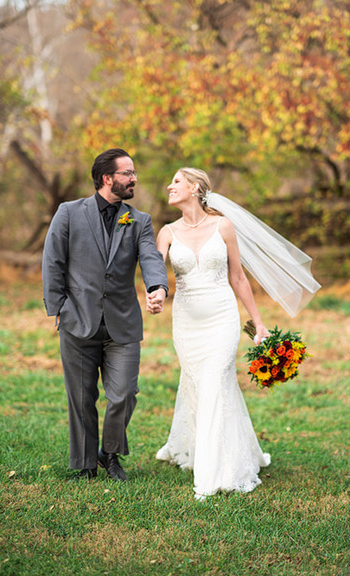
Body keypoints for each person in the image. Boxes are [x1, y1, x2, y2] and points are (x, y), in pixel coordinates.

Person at [42, 149, 169, 482]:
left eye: (134, 172)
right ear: (107, 178)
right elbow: (53, 261)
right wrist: (58, 309)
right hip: (77, 320)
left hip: (122, 324)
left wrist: (158, 287)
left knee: (124, 393)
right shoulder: (69, 213)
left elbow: (151, 257)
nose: (134, 179)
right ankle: (84, 465)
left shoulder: (138, 220)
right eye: (127, 173)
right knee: (81, 397)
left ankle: (109, 454)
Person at [154, 168, 271, 500]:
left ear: (194, 188)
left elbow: (239, 278)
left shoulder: (223, 226)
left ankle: (212, 475)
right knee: (198, 384)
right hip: (187, 322)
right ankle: (223, 449)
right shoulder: (166, 232)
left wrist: (258, 322)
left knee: (215, 381)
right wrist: (156, 294)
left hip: (222, 317)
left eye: (175, 182)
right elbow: (155, 273)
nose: (168, 186)